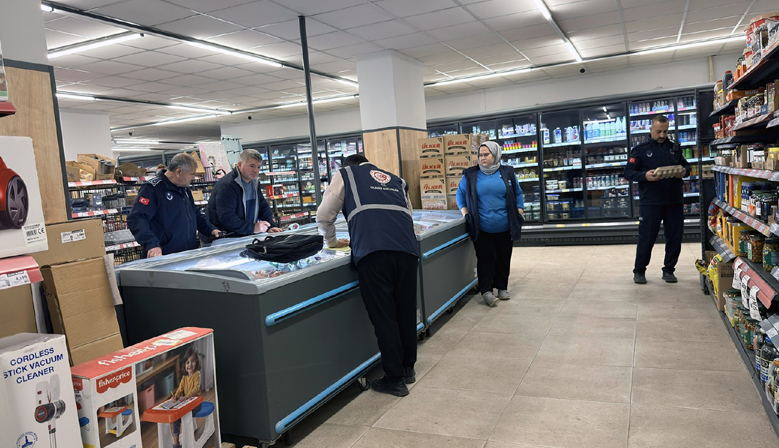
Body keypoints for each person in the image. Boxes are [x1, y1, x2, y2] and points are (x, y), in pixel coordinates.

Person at [316, 154, 419, 398]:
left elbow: (323, 215)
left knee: (384, 316)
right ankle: (408, 369)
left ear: (349, 166)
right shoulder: (396, 180)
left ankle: (394, 379)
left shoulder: (345, 175)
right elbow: (409, 216)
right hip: (407, 250)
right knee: (405, 311)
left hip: (374, 252)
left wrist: (331, 242)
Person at [623, 114, 691, 284]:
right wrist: (644, 175)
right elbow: (628, 172)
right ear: (651, 129)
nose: (662, 135)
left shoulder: (675, 147)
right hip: (650, 202)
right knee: (646, 238)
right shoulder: (640, 150)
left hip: (674, 201)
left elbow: (686, 165)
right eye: (659, 131)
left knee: (675, 237)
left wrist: (685, 171)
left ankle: (669, 270)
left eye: (665, 131)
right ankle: (639, 271)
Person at [456, 141, 525, 307]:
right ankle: (486, 291)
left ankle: (502, 288)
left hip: (505, 226)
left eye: (486, 154)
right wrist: (465, 212)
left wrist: (520, 210)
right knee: (486, 259)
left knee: (503, 258)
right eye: (480, 155)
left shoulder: (507, 172)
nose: (483, 158)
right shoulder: (471, 174)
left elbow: (518, 193)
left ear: (496, 155)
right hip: (483, 227)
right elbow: (460, 194)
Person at [128, 153, 221, 258]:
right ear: (179, 171)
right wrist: (151, 244)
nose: (194, 177)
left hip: (187, 255)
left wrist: (210, 229)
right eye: (192, 174)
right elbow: (137, 218)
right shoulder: (152, 189)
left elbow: (194, 213)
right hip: (164, 257)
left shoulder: (184, 189)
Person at [205, 149, 283, 239]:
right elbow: (227, 217)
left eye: (258, 167)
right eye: (252, 166)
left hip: (242, 236)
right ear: (240, 165)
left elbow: (262, 206)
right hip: (222, 239)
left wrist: (271, 226)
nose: (255, 170)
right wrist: (253, 228)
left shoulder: (254, 183)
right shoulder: (228, 185)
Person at [170, 347, 202, 448]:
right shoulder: (184, 377)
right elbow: (180, 389)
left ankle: (189, 442)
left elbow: (196, 389)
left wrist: (186, 396)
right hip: (187, 403)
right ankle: (176, 443)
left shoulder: (197, 374)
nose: (190, 364)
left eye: (192, 361)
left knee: (184, 416)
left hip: (197, 403)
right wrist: (176, 396)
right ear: (184, 364)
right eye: (187, 362)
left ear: (196, 362)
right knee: (176, 417)